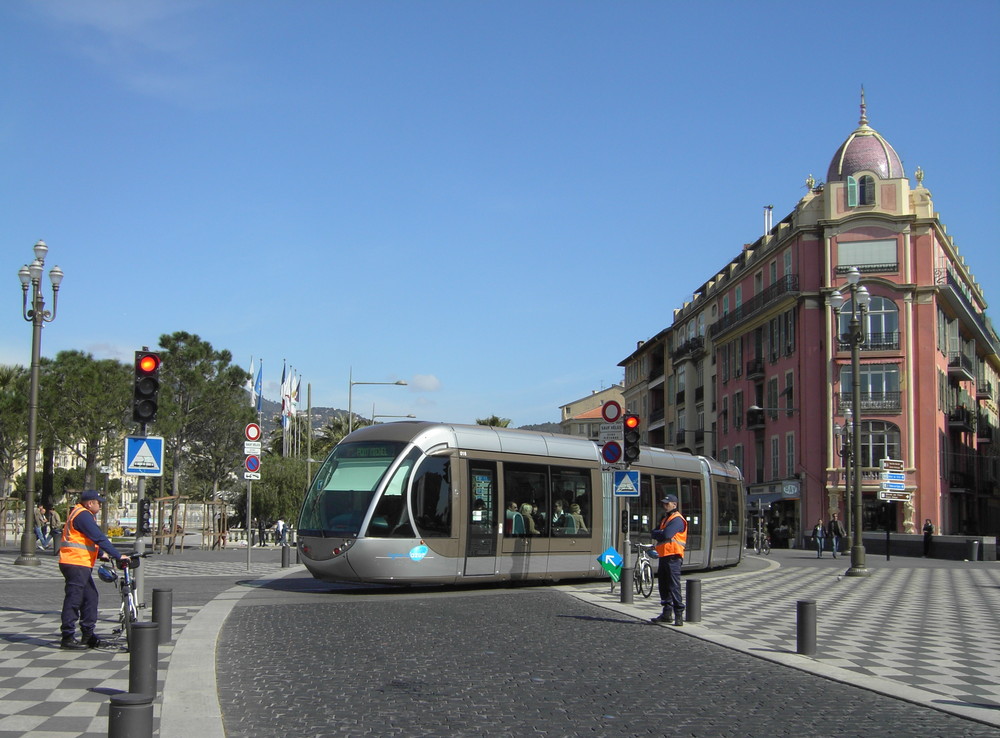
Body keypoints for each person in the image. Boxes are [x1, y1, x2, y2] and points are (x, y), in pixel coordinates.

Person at [58, 490, 129, 650]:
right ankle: (67, 637)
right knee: (74, 599)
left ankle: (88, 635)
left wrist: (100, 554)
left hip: (78, 562)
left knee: (90, 597)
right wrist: (117, 555)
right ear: (90, 503)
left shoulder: (80, 513)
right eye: (98, 503)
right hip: (75, 563)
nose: (100, 505)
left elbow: (84, 541)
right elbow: (98, 537)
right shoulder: (82, 515)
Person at [649, 494, 687, 626]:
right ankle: (666, 613)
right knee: (664, 586)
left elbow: (666, 534)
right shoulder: (666, 519)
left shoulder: (677, 519)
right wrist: (658, 533)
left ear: (674, 504)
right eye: (664, 503)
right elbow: (653, 532)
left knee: (674, 586)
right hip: (664, 556)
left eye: (667, 503)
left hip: (674, 557)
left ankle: (678, 614)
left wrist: (659, 533)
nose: (664, 505)